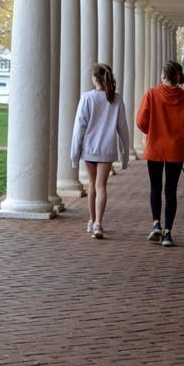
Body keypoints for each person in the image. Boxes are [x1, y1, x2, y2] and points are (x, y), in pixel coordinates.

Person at [135, 60, 184, 247]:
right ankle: (168, 234)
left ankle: (156, 225)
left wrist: (153, 131)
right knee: (170, 191)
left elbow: (140, 121)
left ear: (164, 75)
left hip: (155, 148)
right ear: (177, 76)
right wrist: (180, 134)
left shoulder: (152, 94)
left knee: (155, 187)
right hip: (175, 150)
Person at [70, 63, 130, 239]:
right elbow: (123, 129)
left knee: (92, 184)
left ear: (95, 78)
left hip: (90, 149)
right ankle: (98, 224)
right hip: (107, 149)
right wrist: (124, 155)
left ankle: (91, 220)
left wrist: (74, 154)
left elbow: (79, 128)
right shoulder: (116, 99)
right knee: (101, 186)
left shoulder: (87, 98)